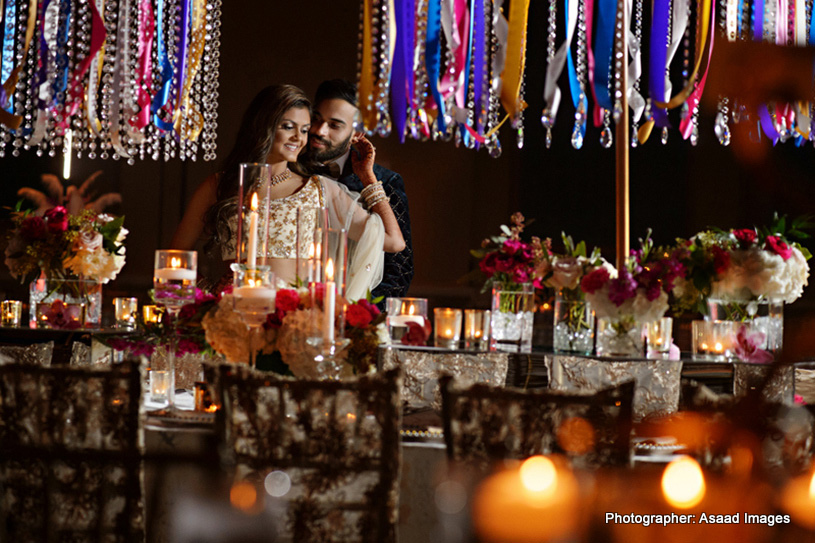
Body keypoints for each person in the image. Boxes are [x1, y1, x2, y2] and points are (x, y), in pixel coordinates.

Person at [171, 84, 405, 299]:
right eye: (288, 127)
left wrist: (368, 177)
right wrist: (209, 293)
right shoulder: (221, 185)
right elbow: (175, 259)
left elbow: (393, 242)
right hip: (236, 317)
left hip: (295, 323)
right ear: (263, 127)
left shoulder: (318, 189)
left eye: (304, 130)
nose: (298, 138)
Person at [304, 79, 413, 304]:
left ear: (357, 133)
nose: (319, 131)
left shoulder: (385, 181)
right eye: (316, 119)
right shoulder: (289, 170)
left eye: (334, 125)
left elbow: (399, 271)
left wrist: (360, 320)